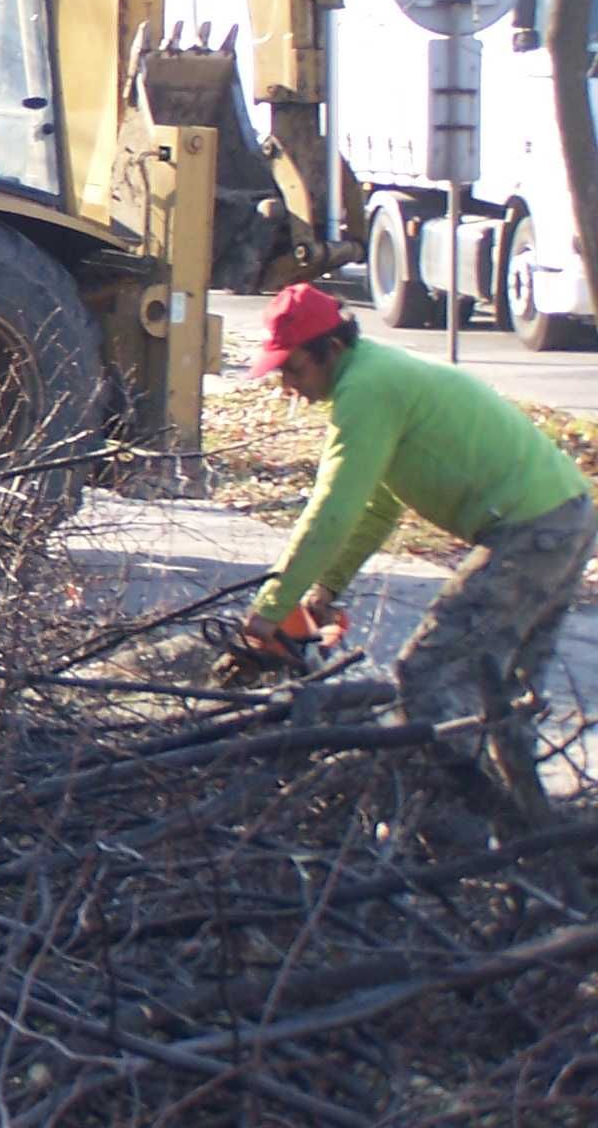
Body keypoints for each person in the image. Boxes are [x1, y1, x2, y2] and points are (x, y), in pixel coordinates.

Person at [241, 282, 595, 831]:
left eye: (293, 370)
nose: (289, 386)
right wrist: (323, 592)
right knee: (503, 689)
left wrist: (270, 606)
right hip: (564, 513)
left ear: (330, 350)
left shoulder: (367, 389)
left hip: (531, 529)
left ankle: (454, 829)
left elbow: (332, 507)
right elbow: (377, 508)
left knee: (427, 673)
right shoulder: (377, 376)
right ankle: (533, 832)